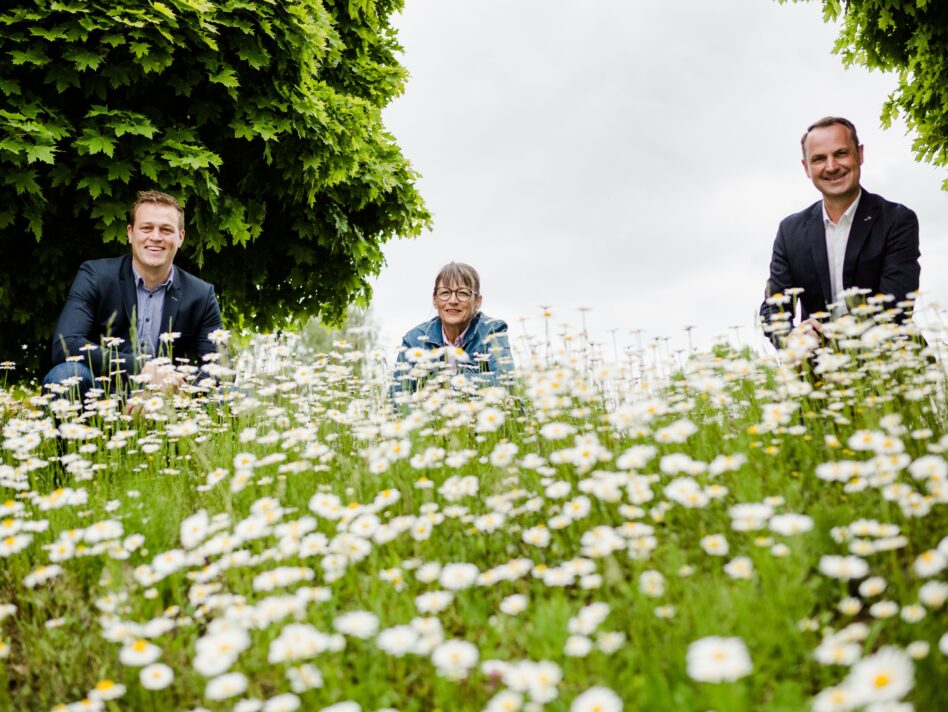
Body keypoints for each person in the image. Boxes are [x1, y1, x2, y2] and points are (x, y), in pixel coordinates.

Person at [44, 190, 223, 400]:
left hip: (168, 406)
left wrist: (163, 391)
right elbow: (65, 345)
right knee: (65, 374)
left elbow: (219, 370)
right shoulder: (95, 276)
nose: (155, 237)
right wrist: (142, 368)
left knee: (237, 394)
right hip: (100, 399)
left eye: (166, 230)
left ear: (180, 237)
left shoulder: (201, 294)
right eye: (146, 228)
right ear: (130, 233)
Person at [760, 116, 920, 343]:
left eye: (841, 153)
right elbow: (773, 308)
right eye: (819, 159)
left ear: (860, 154)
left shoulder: (897, 220)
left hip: (891, 362)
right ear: (806, 168)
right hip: (817, 369)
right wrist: (792, 338)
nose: (831, 166)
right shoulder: (790, 231)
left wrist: (829, 334)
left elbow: (895, 307)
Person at [393, 262, 514, 392]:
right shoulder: (414, 340)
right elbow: (395, 399)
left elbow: (505, 381)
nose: (453, 300)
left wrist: (447, 384)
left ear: (477, 301)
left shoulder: (492, 331)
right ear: (435, 299)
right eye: (445, 293)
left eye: (462, 293)